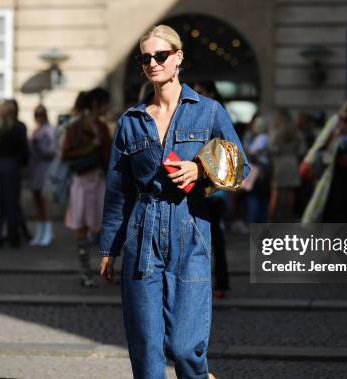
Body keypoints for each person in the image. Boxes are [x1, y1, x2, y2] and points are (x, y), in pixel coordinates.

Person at [98, 25, 249, 379]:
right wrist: (109, 246)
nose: (153, 62)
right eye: (145, 58)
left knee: (185, 348)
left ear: (178, 57)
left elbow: (241, 164)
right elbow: (118, 189)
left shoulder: (209, 111)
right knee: (147, 353)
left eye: (160, 55)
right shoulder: (130, 122)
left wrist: (200, 169)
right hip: (142, 231)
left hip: (191, 227)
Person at [300, 92, 347, 223]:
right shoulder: (336, 121)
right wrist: (308, 161)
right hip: (336, 174)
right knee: (333, 210)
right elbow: (321, 141)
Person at [62, 88, 111, 286]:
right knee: (81, 226)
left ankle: (105, 270)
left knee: (103, 226)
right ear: (95, 104)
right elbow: (66, 154)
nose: (107, 108)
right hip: (82, 181)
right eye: (104, 104)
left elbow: (109, 157)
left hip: (99, 180)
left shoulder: (102, 126)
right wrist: (91, 147)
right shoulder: (76, 128)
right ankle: (85, 273)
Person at [193, 80, 230, 299]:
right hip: (197, 185)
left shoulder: (218, 116)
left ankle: (221, 282)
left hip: (214, 188)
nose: (196, 96)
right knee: (199, 238)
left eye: (200, 92)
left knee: (215, 237)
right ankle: (203, 283)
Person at [0, 100, 29, 248]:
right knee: (12, 202)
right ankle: (13, 237)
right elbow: (24, 150)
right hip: (12, 166)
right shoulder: (18, 127)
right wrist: (22, 164)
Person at [268, 109, 306, 222]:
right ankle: (288, 220)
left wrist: (278, 151)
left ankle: (271, 221)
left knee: (276, 193)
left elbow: (272, 147)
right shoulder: (296, 132)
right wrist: (294, 154)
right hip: (292, 163)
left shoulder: (276, 130)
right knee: (290, 193)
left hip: (279, 164)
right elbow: (302, 149)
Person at [29, 105, 56, 246]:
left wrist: (39, 146)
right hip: (35, 168)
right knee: (37, 201)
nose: (39, 116)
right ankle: (40, 232)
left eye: (41, 114)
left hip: (46, 169)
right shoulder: (35, 131)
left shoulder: (50, 130)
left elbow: (53, 151)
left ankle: (48, 232)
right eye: (37, 114)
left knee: (45, 201)